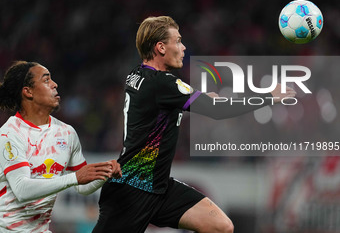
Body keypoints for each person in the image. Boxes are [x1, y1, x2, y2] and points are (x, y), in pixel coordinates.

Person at [92, 16, 296, 233]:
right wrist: (268, 97)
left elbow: (161, 106)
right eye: (178, 41)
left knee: (221, 226)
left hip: (160, 188)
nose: (183, 47)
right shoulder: (164, 84)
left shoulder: (137, 74)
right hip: (132, 191)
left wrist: (199, 98)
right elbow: (217, 110)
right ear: (161, 47)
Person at [0, 61, 122, 232]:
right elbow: (22, 189)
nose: (55, 84)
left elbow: (82, 187)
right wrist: (74, 178)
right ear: (28, 92)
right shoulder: (10, 133)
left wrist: (104, 173)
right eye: (46, 80)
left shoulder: (66, 133)